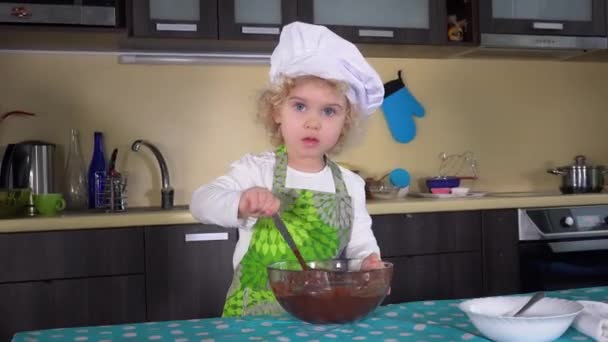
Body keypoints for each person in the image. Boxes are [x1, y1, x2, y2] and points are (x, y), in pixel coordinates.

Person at [190, 21, 385, 317]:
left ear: (345, 123)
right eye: (300, 106)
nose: (313, 122)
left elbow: (360, 248)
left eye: (329, 111)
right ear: (276, 112)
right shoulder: (257, 170)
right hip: (252, 320)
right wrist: (241, 202)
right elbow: (200, 202)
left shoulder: (350, 184)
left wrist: (369, 264)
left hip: (317, 315)